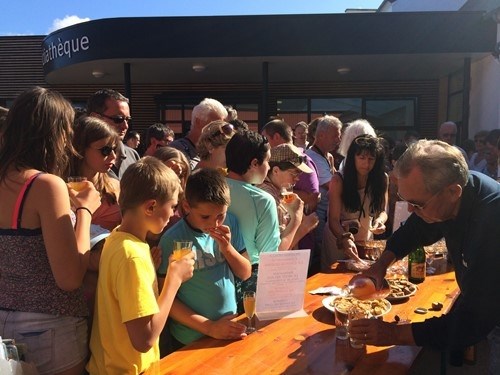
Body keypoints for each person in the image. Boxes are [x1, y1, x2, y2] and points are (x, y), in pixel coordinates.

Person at [349, 140, 500, 374]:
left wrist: (391, 333)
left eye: (417, 204)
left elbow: (473, 321)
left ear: (452, 192)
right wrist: (380, 265)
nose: (411, 210)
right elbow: (415, 229)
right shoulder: (454, 188)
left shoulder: (492, 222)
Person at [0, 87, 101, 375]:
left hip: (6, 326)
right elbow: (69, 278)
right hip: (50, 329)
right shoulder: (45, 185)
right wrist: (84, 211)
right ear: (54, 132)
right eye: (67, 129)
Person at [87, 157, 194, 374]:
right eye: (172, 206)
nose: (174, 214)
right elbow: (144, 339)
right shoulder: (132, 255)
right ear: (151, 207)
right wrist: (174, 279)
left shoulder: (117, 238)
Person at [157, 169, 251, 352]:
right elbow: (167, 297)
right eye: (205, 217)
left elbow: (246, 273)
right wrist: (209, 327)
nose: (214, 224)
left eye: (220, 215)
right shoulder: (175, 239)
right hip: (191, 338)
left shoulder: (230, 223)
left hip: (228, 328)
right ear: (186, 206)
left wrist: (227, 249)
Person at [225, 130, 280, 301]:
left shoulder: (209, 187)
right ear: (254, 163)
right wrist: (297, 223)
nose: (269, 167)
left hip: (208, 276)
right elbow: (269, 258)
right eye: (268, 161)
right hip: (246, 283)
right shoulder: (262, 200)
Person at [323, 135, 388, 269]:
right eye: (362, 158)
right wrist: (345, 238)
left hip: (365, 237)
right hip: (338, 237)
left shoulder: (382, 179)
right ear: (353, 158)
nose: (366, 164)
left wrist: (380, 221)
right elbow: (333, 220)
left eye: (371, 159)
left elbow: (383, 210)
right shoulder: (338, 180)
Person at [258, 143, 319, 250]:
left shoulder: (280, 189)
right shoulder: (268, 197)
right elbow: (277, 250)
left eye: (300, 174)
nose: (297, 179)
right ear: (276, 170)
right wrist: (304, 226)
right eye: (294, 173)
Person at [71, 115, 122, 231]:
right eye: (106, 150)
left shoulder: (117, 187)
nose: (113, 156)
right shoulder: (60, 190)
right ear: (81, 148)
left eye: (115, 149)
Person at [305, 115, 342, 256]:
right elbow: (333, 186)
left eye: (339, 136)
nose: (338, 140)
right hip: (319, 220)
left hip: (327, 217)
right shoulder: (312, 158)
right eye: (335, 136)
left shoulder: (327, 156)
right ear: (320, 135)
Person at [87, 88, 140, 179]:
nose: (125, 126)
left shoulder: (132, 155)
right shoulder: (76, 158)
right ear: (95, 118)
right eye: (118, 119)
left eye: (127, 120)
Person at [170, 98, 227, 170]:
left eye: (222, 125)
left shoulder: (217, 149)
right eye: (214, 124)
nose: (219, 129)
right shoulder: (175, 150)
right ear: (198, 121)